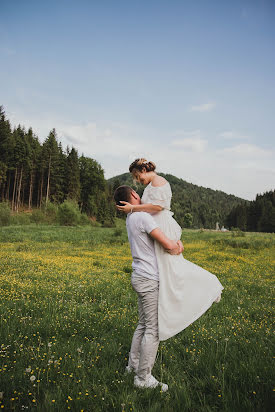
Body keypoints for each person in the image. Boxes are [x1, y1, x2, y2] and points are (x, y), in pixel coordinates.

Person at [117, 158, 224, 341]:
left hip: (160, 227)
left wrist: (134, 207)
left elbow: (159, 206)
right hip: (154, 228)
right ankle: (175, 304)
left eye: (137, 175)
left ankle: (208, 288)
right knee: (169, 271)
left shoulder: (159, 181)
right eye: (135, 178)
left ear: (144, 169)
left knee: (174, 267)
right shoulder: (150, 187)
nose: (137, 180)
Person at [114, 185, 184, 391]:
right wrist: (177, 246)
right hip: (149, 279)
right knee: (153, 330)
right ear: (135, 195)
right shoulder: (142, 217)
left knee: (143, 325)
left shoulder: (131, 218)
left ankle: (132, 366)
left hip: (139, 276)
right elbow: (168, 244)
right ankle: (143, 378)